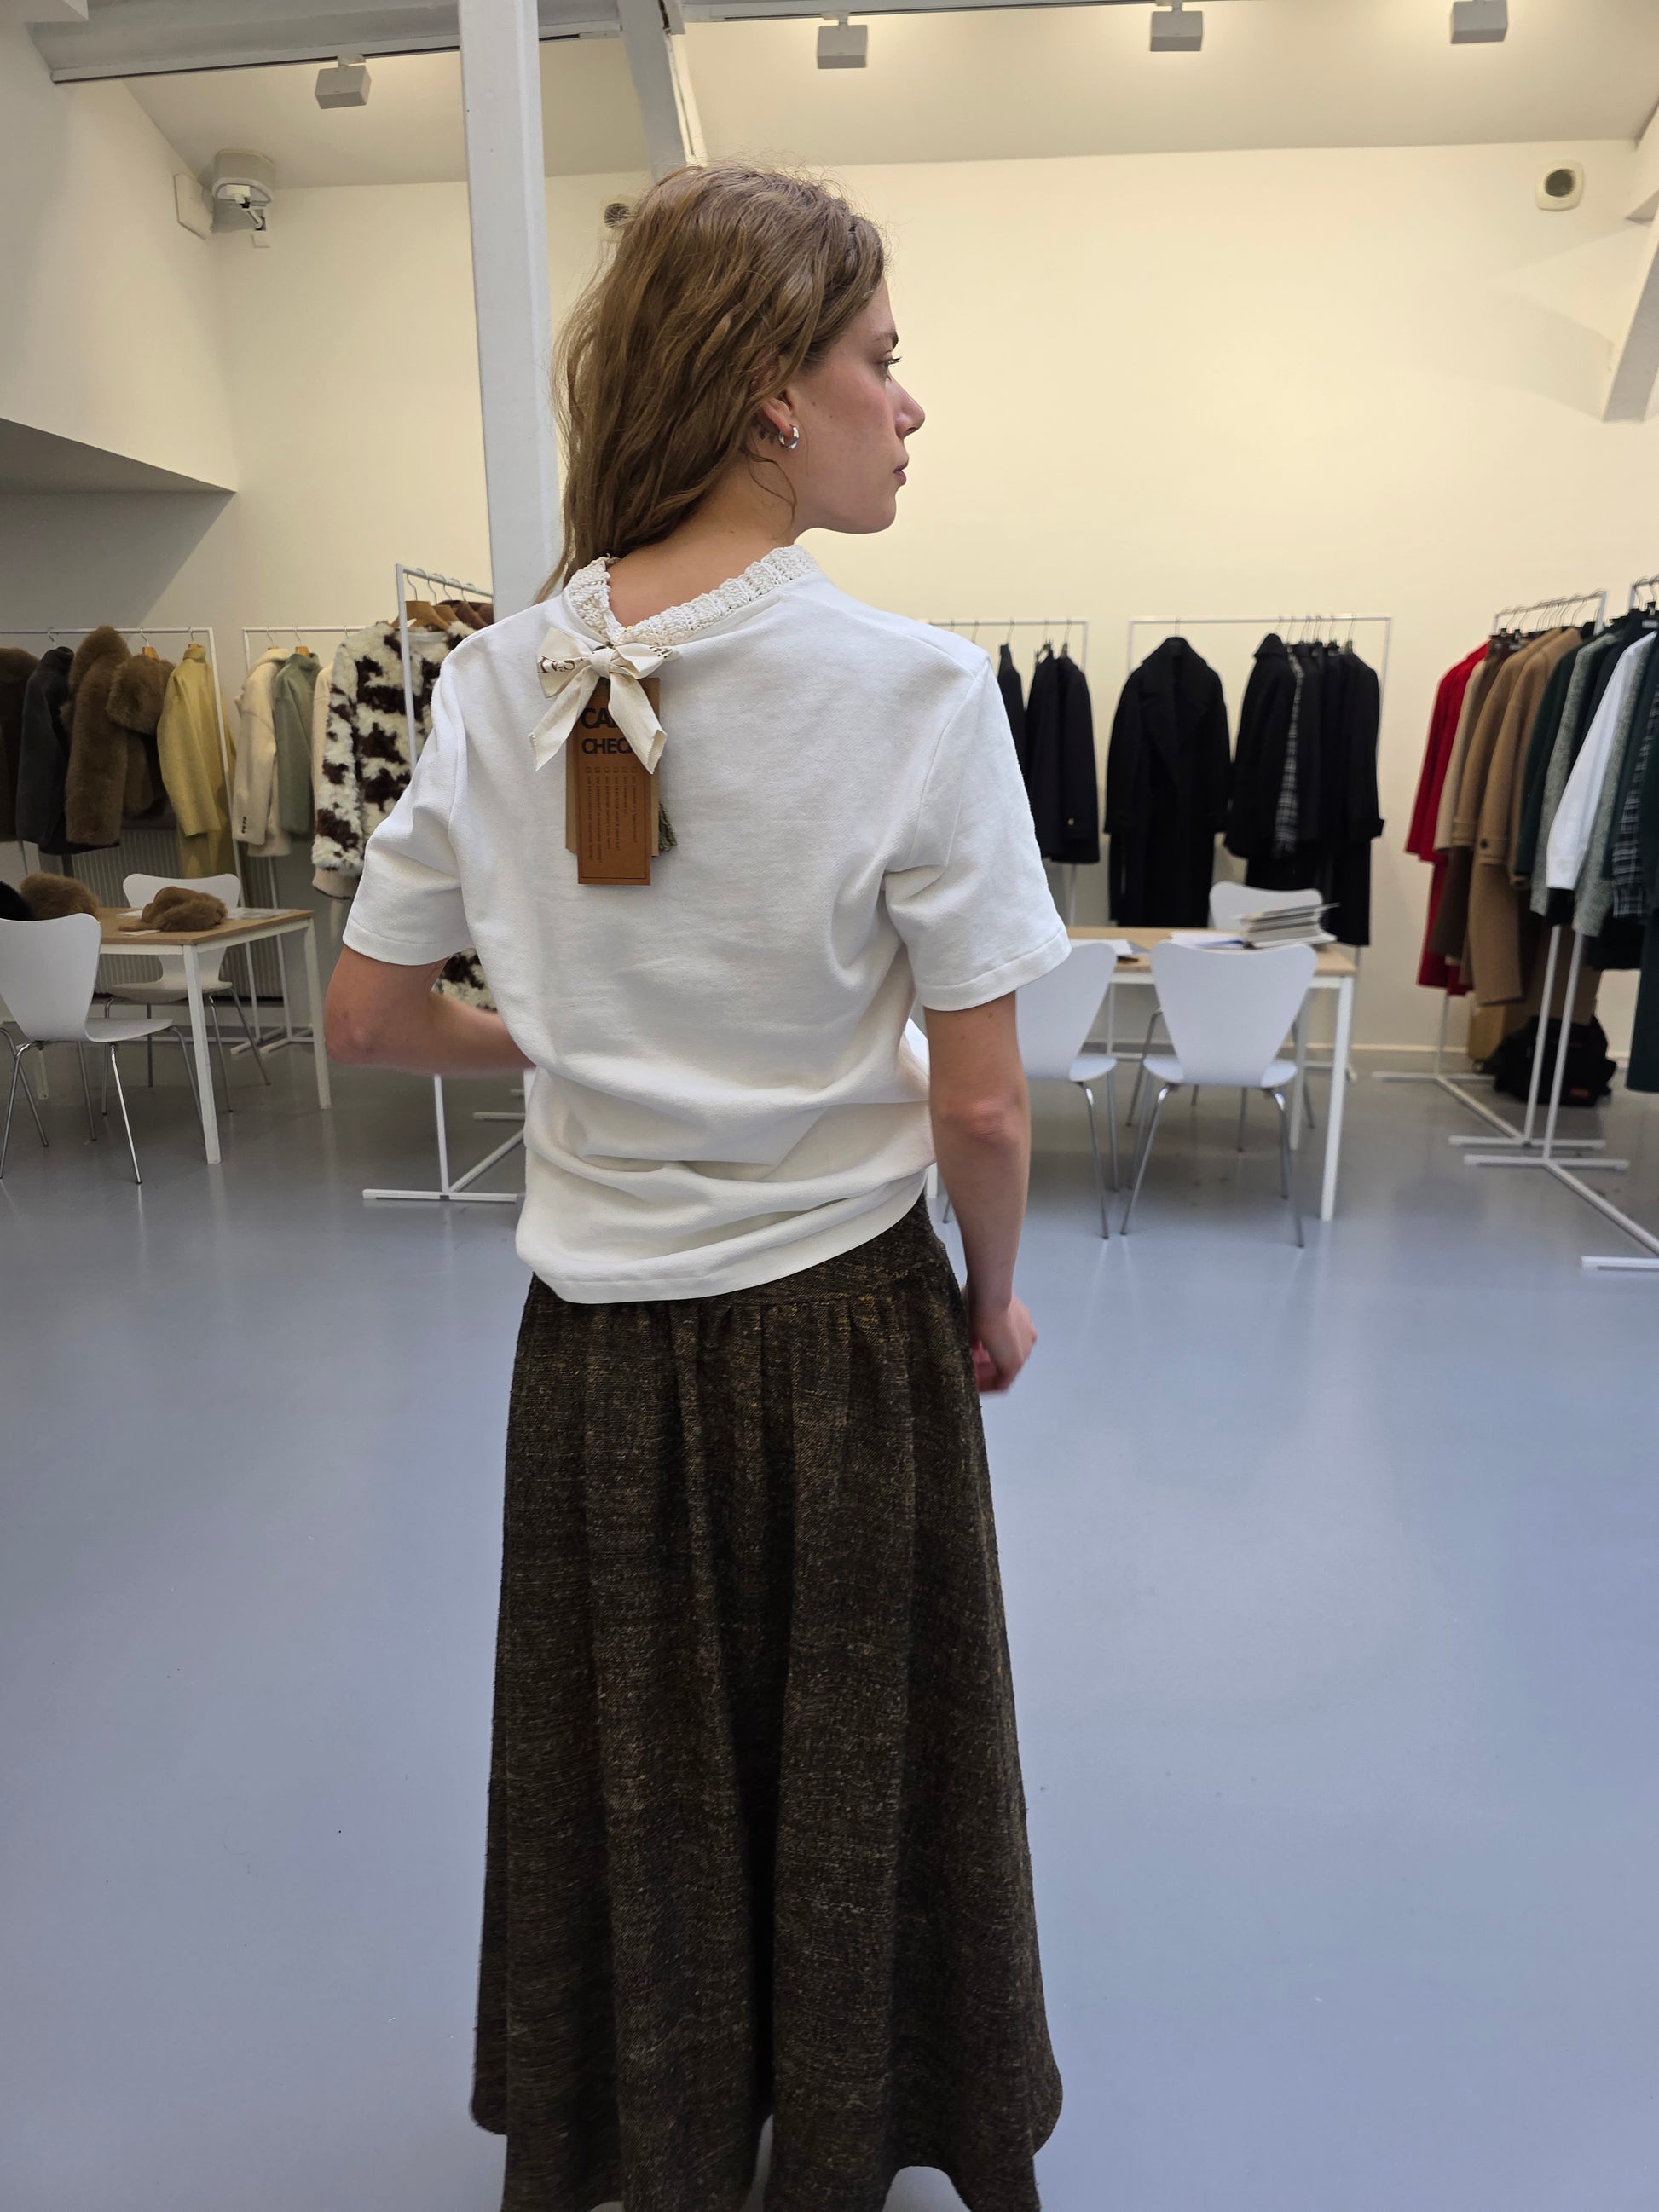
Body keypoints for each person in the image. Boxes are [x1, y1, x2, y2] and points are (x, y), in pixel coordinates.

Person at [326, 160, 1066, 2212]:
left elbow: (367, 1020)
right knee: (862, 1765)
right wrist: (991, 1295)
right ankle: (848, 2119)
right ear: (769, 394)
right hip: (845, 1331)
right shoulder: (916, 693)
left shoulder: (498, 683)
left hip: (595, 1350)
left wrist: (557, 1040)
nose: (906, 404)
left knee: (632, 1770)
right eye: (880, 359)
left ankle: (649, 2127)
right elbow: (984, 1111)